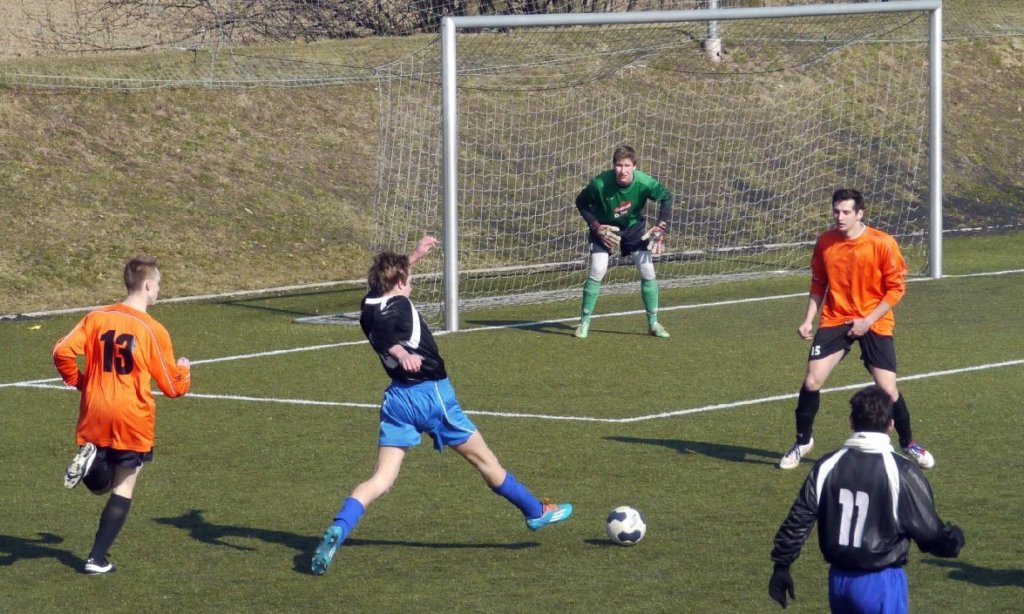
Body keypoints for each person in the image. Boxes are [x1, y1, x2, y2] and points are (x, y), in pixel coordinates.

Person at [311, 236, 573, 576]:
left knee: (381, 479)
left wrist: (414, 256)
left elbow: (384, 306)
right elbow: (385, 333)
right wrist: (401, 353)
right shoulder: (399, 308)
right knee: (486, 462)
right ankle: (536, 511)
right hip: (432, 397)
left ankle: (340, 527)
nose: (411, 282)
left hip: (397, 401)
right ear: (399, 283)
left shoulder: (369, 304)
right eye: (409, 277)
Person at [768, 385, 965, 612]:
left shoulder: (827, 465)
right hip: (880, 583)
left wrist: (781, 565)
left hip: (838, 583)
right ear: (891, 425)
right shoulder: (901, 470)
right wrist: (952, 542)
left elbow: (799, 519)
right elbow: (929, 532)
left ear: (851, 422)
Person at [53, 256, 192, 575]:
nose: (159, 290)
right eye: (158, 284)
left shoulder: (96, 317)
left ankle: (91, 464)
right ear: (148, 285)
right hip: (131, 415)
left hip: (95, 409)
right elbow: (172, 387)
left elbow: (61, 351)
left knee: (101, 486)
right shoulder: (152, 329)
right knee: (123, 486)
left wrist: (80, 381)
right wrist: (184, 371)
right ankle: (96, 558)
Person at [779, 188, 934, 470]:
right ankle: (803, 442)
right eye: (836, 211)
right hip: (836, 317)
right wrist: (808, 319)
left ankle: (908, 443)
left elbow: (896, 289)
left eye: (846, 212)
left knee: (888, 389)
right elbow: (819, 283)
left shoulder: (882, 243)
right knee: (812, 381)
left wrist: (867, 321)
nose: (839, 217)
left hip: (875, 320)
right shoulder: (825, 242)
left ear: (859, 213)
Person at [573, 144, 673, 339]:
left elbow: (667, 197)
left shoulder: (644, 182)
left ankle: (653, 323)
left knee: (647, 270)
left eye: (627, 165)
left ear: (634, 166)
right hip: (604, 228)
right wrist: (596, 227)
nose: (623, 170)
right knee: (598, 269)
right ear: (614, 166)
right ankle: (584, 322)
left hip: (633, 228)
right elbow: (581, 202)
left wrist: (660, 227)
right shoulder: (600, 184)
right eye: (619, 165)